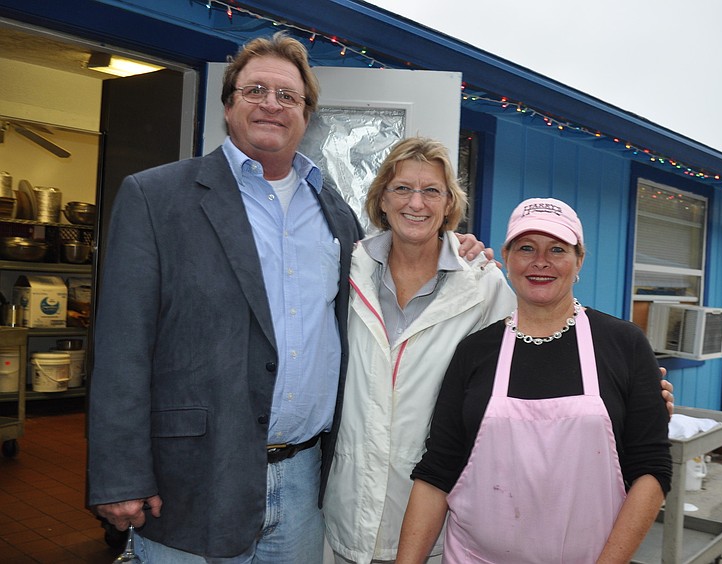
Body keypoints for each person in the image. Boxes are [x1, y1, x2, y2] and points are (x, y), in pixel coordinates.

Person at [85, 34, 485, 562]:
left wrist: (459, 250)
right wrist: (119, 474)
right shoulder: (157, 198)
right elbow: (121, 347)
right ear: (228, 105)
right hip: (192, 482)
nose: (272, 104)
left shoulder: (333, 214)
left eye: (288, 96)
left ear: (306, 114)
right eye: (256, 90)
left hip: (304, 484)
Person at [397, 198, 673, 563]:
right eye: (526, 248)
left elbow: (651, 470)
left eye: (557, 249)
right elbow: (437, 471)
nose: (540, 261)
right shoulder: (475, 351)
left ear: (579, 261)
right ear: (507, 258)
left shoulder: (624, 344)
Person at [322, 138, 516, 564]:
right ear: (382, 200)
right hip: (348, 510)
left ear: (449, 204)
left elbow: (516, 387)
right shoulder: (342, 271)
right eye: (402, 189)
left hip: (439, 517)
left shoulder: (483, 288)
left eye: (432, 190)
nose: (417, 203)